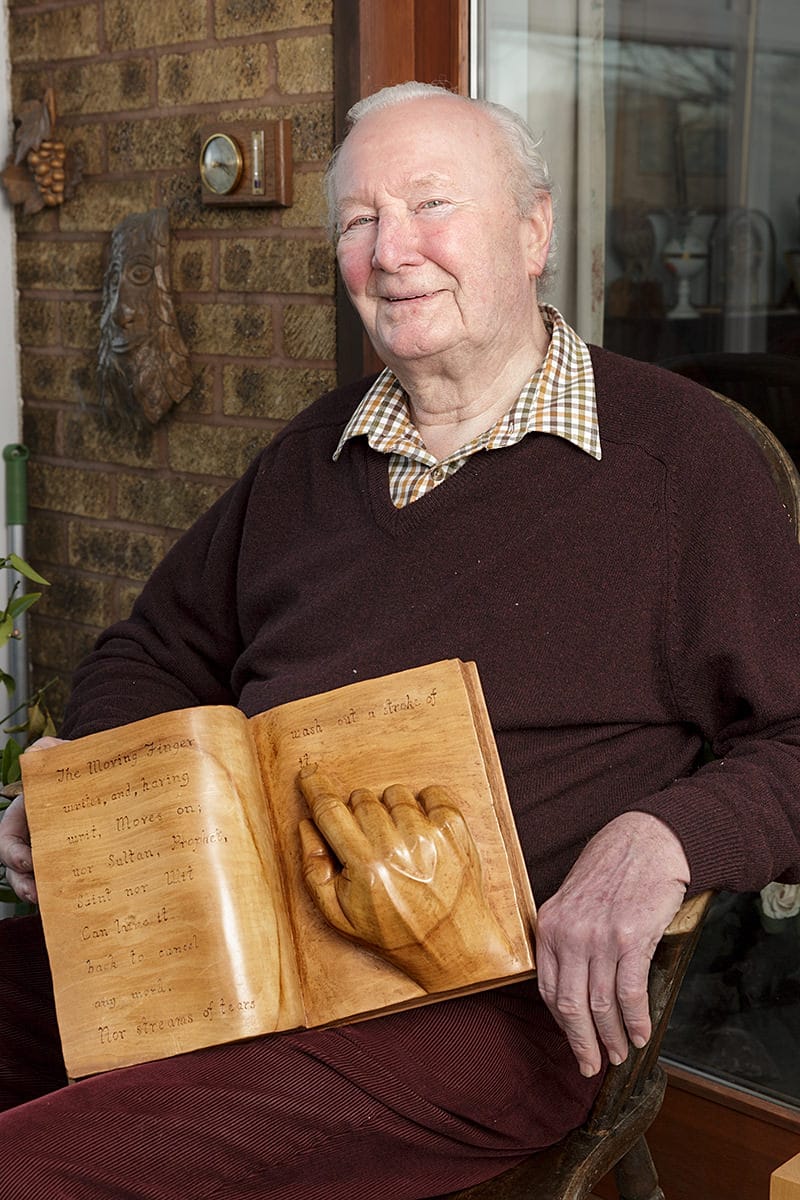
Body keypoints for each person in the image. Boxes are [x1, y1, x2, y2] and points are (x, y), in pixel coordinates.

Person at [1, 79, 799, 1198]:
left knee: (37, 1169)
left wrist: (662, 833)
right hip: (227, 945)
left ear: (533, 231)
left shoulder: (681, 463)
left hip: (470, 1011)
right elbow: (150, 650)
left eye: (431, 205)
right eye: (360, 220)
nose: (393, 251)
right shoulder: (313, 452)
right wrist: (104, 798)